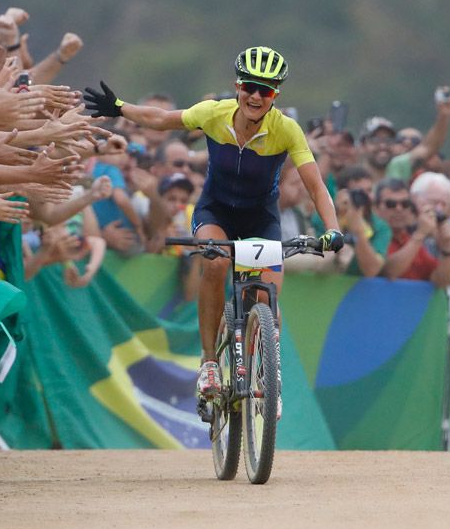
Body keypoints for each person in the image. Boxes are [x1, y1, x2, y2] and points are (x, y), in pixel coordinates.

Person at [83, 45, 342, 400]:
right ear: (237, 86)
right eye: (249, 86)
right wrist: (118, 108)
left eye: (264, 91)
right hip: (215, 211)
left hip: (260, 219)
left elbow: (315, 185)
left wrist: (333, 229)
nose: (255, 96)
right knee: (217, 262)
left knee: (267, 294)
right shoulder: (213, 114)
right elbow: (161, 119)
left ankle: (263, 362)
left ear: (275, 96)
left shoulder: (287, 130)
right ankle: (208, 363)